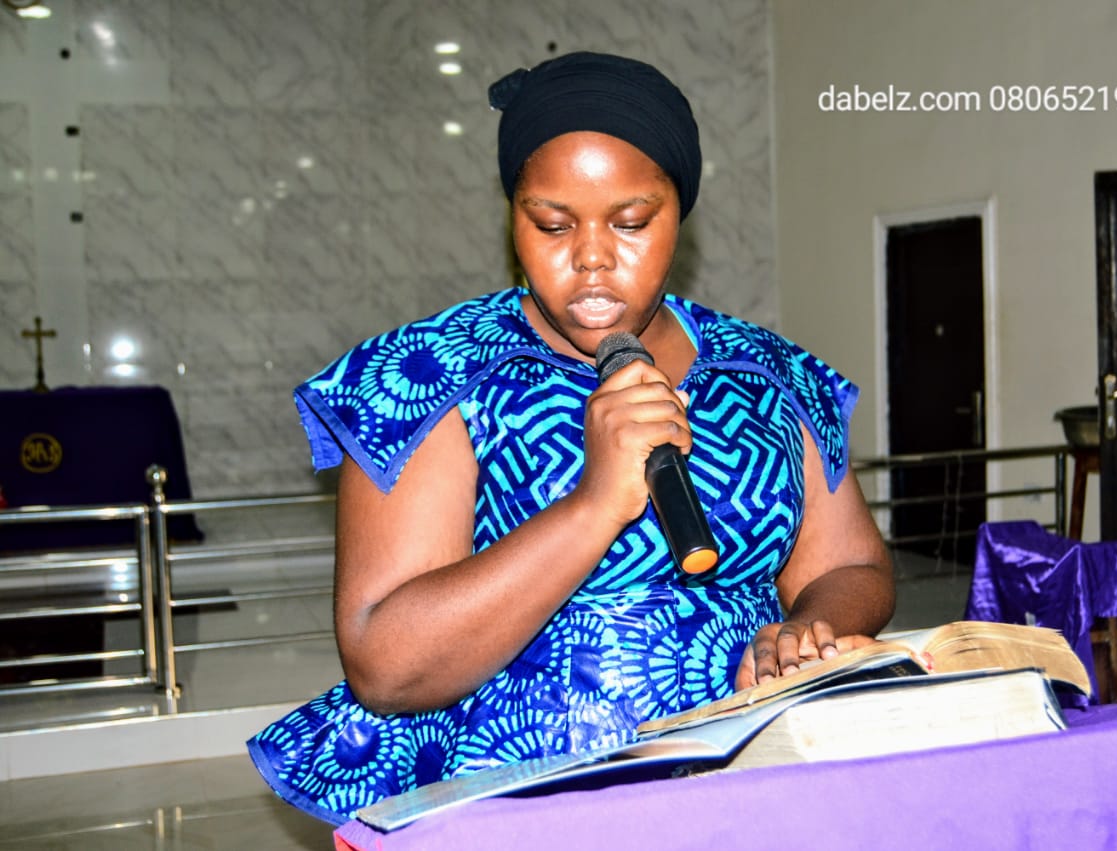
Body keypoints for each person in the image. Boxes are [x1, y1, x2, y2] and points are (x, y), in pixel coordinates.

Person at [248, 50, 894, 825]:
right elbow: (387, 666)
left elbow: (852, 564)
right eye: (552, 223)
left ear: (680, 215)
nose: (591, 257)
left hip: (747, 786)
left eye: (631, 222)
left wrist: (806, 629)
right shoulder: (433, 375)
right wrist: (594, 504)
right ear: (512, 218)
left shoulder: (767, 372)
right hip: (526, 802)